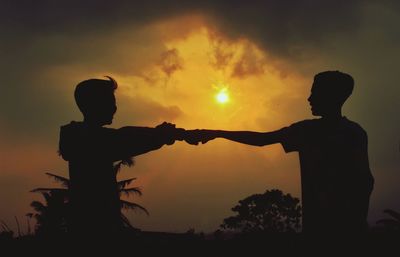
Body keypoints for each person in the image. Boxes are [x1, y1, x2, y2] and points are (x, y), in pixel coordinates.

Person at [191, 71, 374, 233]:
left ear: (330, 96)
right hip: (351, 231)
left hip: (322, 234)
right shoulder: (355, 132)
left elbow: (262, 140)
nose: (309, 98)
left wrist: (218, 133)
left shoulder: (309, 131)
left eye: (314, 92)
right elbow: (366, 181)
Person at [58, 77, 186, 238]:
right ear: (93, 104)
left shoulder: (81, 136)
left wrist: (159, 134)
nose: (114, 108)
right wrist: (161, 135)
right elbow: (123, 139)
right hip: (94, 231)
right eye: (109, 101)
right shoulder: (82, 138)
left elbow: (124, 136)